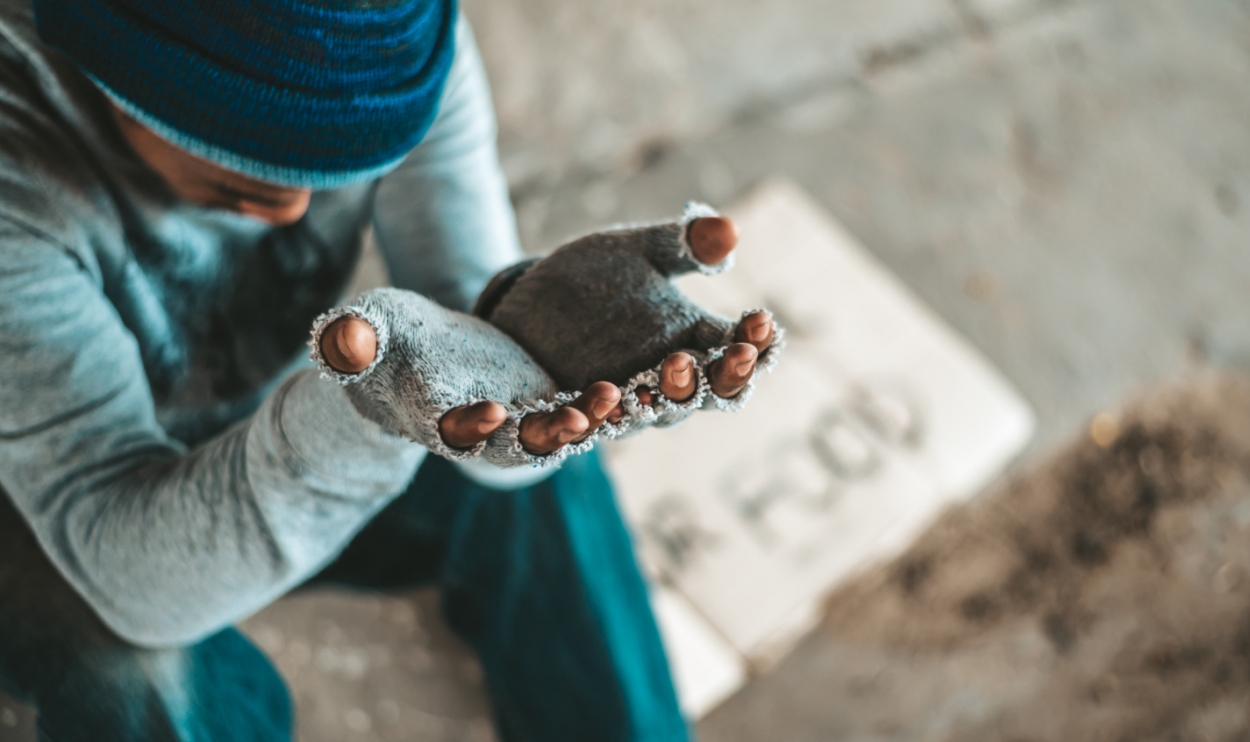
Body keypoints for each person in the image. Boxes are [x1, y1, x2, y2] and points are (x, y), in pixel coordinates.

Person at [0, 0, 769, 739]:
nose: (297, 209)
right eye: (241, 178)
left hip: (244, 414)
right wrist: (366, 414)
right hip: (38, 495)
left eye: (338, 169)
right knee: (136, 677)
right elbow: (136, 578)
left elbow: (485, 366)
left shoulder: (398, 48)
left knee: (547, 410)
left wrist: (531, 339)